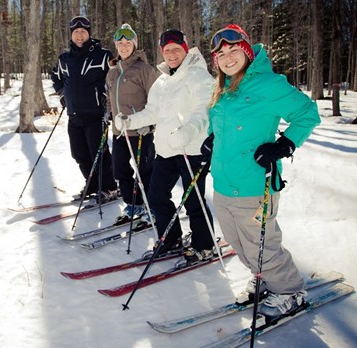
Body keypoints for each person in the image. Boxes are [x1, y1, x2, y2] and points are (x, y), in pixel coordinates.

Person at [205, 24, 321, 319]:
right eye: (221, 53)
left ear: (245, 51)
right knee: (239, 244)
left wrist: (284, 145)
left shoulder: (268, 84)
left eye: (233, 50)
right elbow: (219, 125)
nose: (227, 57)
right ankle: (265, 280)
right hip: (223, 183)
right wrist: (210, 141)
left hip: (256, 185)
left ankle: (289, 291)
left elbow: (308, 113)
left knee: (262, 245)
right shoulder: (222, 89)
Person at [114, 29, 216, 262]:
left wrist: (188, 131)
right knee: (156, 196)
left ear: (185, 48)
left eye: (175, 49)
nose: (171, 54)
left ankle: (205, 244)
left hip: (191, 149)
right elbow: (152, 112)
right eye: (166, 49)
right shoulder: (161, 80)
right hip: (166, 149)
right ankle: (170, 239)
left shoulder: (199, 76)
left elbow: (205, 111)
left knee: (193, 200)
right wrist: (130, 121)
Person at [51, 16, 118, 202]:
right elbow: (55, 76)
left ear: (89, 33)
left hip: (96, 114)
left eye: (83, 31)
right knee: (79, 154)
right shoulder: (64, 58)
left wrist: (108, 100)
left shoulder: (103, 55)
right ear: (71, 35)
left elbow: (116, 77)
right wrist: (62, 94)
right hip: (73, 115)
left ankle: (110, 187)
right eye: (76, 32)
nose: (79, 35)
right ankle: (93, 185)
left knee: (100, 154)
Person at [105, 24, 160, 224]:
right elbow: (110, 98)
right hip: (120, 131)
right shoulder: (112, 72)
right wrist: (108, 113)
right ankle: (133, 203)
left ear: (134, 45)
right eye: (120, 43)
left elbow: (157, 99)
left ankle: (151, 205)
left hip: (141, 131)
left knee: (145, 170)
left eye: (128, 43)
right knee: (119, 170)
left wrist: (151, 124)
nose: (124, 46)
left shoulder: (145, 70)